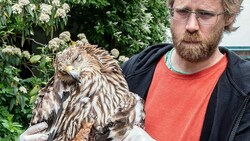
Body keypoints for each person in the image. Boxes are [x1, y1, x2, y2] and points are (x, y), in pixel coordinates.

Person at [20, 0, 250, 140]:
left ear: (228, 17)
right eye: (182, 11)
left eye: (205, 14)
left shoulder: (243, 92)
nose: (191, 25)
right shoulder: (133, 72)